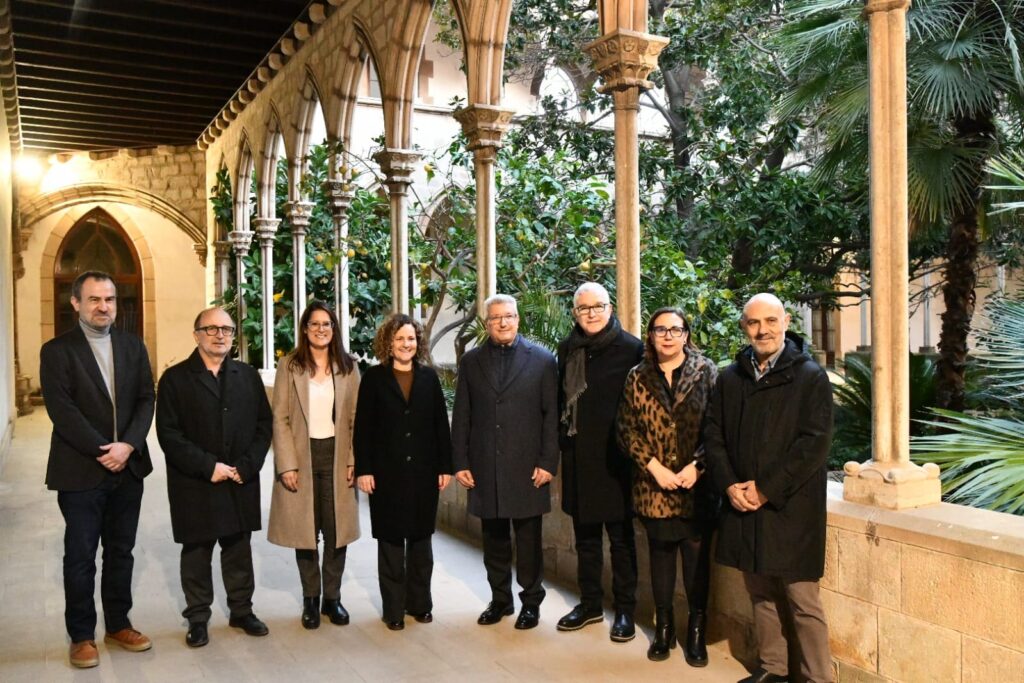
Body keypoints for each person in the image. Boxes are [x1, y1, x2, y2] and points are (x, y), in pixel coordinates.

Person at [704, 293, 834, 683]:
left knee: (802, 601)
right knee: (759, 591)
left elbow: (814, 444)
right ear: (744, 327)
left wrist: (765, 489)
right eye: (754, 323)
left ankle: (818, 678)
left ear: (786, 322)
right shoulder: (730, 378)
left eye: (771, 321)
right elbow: (713, 436)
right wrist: (729, 485)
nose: (763, 330)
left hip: (789, 508)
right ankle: (774, 670)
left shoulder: (810, 376)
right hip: (742, 504)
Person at [40, 270, 155, 668]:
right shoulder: (57, 351)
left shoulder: (133, 346)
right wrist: (103, 449)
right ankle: (82, 636)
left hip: (129, 469)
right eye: (94, 299)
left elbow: (146, 399)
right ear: (76, 303)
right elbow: (62, 411)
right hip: (80, 470)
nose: (103, 306)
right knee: (81, 556)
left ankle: (119, 624)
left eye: (109, 299)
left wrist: (129, 446)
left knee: (121, 551)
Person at [155, 306, 272, 648]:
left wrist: (247, 465)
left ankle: (241, 610)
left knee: (238, 548)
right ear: (196, 335)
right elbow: (169, 434)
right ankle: (197, 618)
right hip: (195, 481)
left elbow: (264, 425)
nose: (220, 335)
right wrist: (209, 466)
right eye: (212, 329)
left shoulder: (247, 376)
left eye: (227, 329)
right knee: (197, 550)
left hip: (239, 477)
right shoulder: (175, 379)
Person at [451, 294, 559, 630]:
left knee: (528, 542)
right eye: (496, 317)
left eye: (508, 316)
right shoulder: (471, 362)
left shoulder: (542, 360)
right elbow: (462, 415)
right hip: (484, 465)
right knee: (493, 540)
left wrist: (547, 462)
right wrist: (460, 461)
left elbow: (551, 417)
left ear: (518, 319)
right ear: (486, 323)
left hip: (528, 467)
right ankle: (500, 600)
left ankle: (531, 603)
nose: (502, 322)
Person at [617, 307, 718, 663]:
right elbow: (626, 429)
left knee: (695, 561)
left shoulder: (707, 372)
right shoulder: (637, 376)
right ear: (651, 336)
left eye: (676, 330)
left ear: (687, 335)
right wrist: (654, 467)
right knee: (660, 558)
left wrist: (698, 465)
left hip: (696, 488)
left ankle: (696, 632)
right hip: (654, 487)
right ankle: (664, 631)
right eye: (661, 330)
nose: (668, 336)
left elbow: (717, 428)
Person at [555, 282, 643, 642]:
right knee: (586, 539)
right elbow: (562, 402)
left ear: (611, 309)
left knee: (621, 541)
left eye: (598, 306)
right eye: (583, 308)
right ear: (575, 313)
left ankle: (625, 611)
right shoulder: (568, 349)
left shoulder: (632, 348)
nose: (591, 314)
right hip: (578, 458)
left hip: (617, 460)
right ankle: (590, 604)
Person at [354, 314, 453, 630]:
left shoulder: (428, 378)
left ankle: (420, 604)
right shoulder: (373, 379)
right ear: (388, 342)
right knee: (392, 546)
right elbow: (364, 429)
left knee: (422, 545)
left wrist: (445, 467)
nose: (406, 344)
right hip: (386, 475)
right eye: (400, 339)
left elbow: (440, 424)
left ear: (418, 342)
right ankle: (394, 609)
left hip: (424, 474)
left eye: (411, 338)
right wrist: (364, 469)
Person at [269, 301, 360, 630]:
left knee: (337, 532)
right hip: (302, 456)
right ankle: (310, 599)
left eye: (327, 324)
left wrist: (353, 459)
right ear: (305, 329)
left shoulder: (349, 367)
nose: (321, 329)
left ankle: (332, 600)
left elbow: (356, 420)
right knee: (305, 532)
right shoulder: (289, 366)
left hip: (337, 456)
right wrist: (286, 464)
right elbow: (280, 417)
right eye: (314, 324)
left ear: (334, 329)